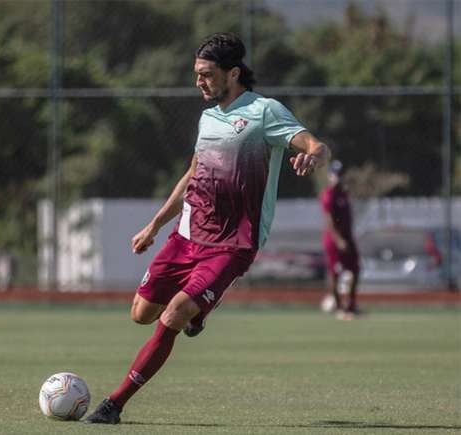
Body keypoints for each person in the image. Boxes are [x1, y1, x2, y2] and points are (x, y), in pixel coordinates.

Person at [84, 32, 331, 424]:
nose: (199, 81)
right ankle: (201, 312)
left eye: (207, 74)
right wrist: (153, 226)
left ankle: (113, 404)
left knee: (173, 314)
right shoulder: (207, 118)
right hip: (186, 236)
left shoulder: (264, 111)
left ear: (233, 74)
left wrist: (313, 156)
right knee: (141, 314)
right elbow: (193, 176)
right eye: (197, 73)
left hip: (233, 243)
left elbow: (315, 144)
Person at [320, 160, 360, 320]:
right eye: (336, 175)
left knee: (355, 270)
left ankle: (350, 305)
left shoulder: (344, 194)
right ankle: (338, 307)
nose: (339, 178)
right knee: (335, 273)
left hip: (348, 238)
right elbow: (329, 220)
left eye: (340, 175)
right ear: (331, 176)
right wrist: (338, 240)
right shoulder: (329, 195)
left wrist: (347, 238)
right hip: (334, 241)